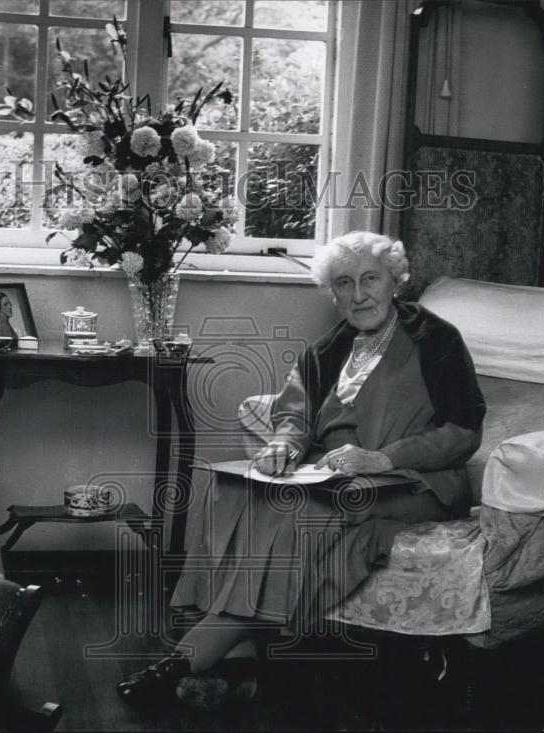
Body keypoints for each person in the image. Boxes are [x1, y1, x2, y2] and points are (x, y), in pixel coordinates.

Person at [116, 231, 486, 710]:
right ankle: (242, 658)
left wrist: (384, 458)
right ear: (332, 293)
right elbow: (295, 415)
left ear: (396, 280)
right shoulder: (328, 348)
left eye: (370, 279)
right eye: (344, 284)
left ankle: (185, 663)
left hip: (413, 480)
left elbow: (465, 429)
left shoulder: (437, 341)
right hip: (336, 477)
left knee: (295, 513)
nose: (358, 295)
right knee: (232, 492)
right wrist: (282, 447)